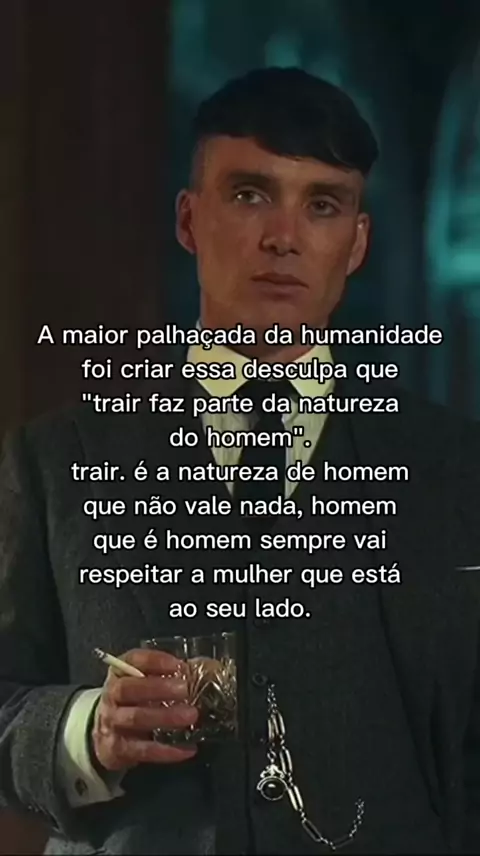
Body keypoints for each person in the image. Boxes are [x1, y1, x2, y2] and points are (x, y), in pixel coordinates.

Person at [1, 66, 480, 856]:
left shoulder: (456, 469)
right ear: (189, 221)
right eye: (250, 194)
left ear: (358, 242)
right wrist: (88, 730)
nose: (283, 237)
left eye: (322, 204)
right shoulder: (56, 460)